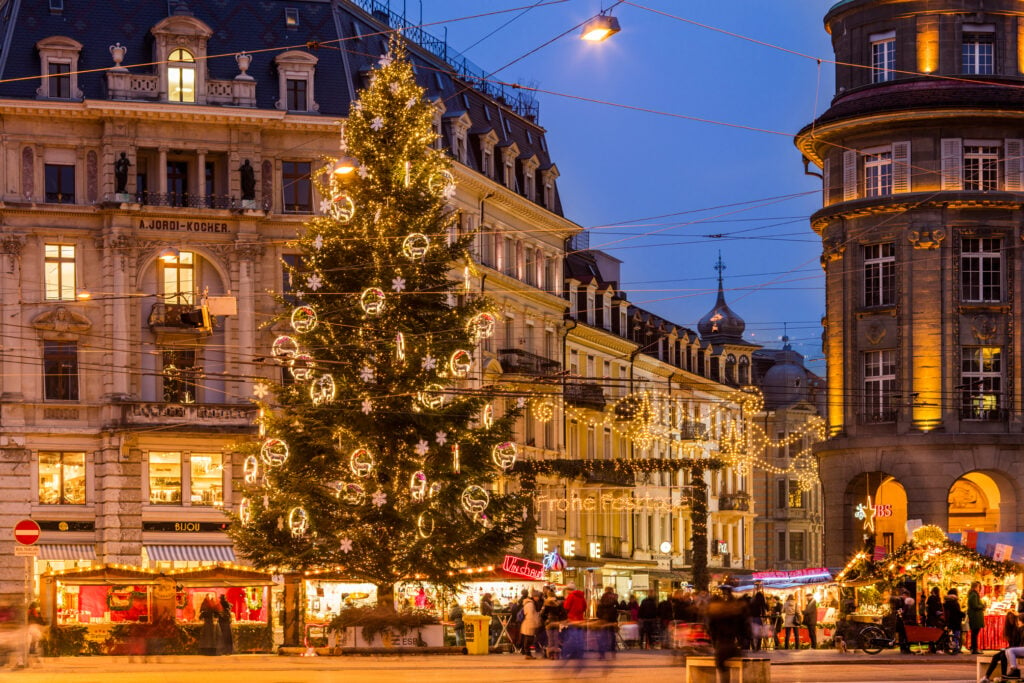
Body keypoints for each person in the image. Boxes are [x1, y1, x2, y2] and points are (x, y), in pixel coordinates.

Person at [707, 585, 749, 674]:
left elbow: (711, 627)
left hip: (722, 645)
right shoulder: (735, 608)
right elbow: (742, 626)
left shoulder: (716, 610)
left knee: (721, 665)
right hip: (730, 644)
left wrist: (713, 641)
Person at [596, 586, 620, 656]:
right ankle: (613, 651)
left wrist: (600, 616)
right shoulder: (614, 598)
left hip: (603, 620)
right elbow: (617, 608)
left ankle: (602, 653)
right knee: (612, 636)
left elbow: (598, 611)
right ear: (611, 590)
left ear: (605, 590)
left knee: (603, 636)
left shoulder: (602, 598)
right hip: (612, 620)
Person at [519, 591, 541, 659]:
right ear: (534, 596)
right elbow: (531, 615)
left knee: (529, 639)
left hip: (529, 624)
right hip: (529, 624)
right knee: (528, 639)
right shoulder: (530, 604)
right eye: (537, 596)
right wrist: (536, 622)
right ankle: (527, 654)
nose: (538, 598)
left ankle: (528, 654)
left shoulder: (531, 603)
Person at [944, 588, 965, 653]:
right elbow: (957, 612)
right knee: (957, 634)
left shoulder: (947, 602)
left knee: (952, 634)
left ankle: (950, 647)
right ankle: (956, 647)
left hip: (950, 620)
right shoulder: (955, 603)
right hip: (956, 621)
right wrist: (963, 614)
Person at [969, 581, 986, 654]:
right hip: (976, 616)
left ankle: (973, 647)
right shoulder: (974, 595)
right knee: (975, 633)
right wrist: (982, 606)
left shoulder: (973, 594)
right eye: (979, 587)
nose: (979, 589)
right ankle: (974, 648)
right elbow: (975, 606)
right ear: (975, 587)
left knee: (974, 633)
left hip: (975, 616)